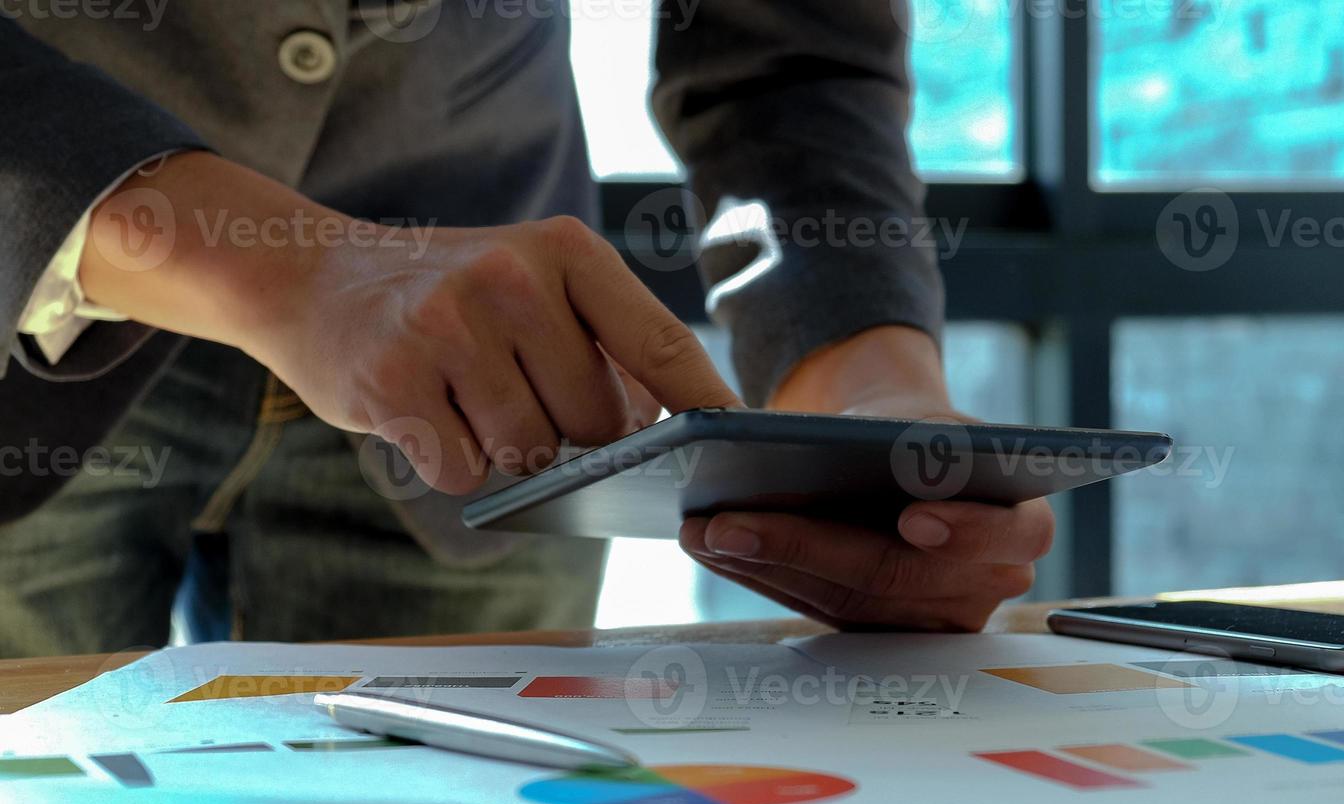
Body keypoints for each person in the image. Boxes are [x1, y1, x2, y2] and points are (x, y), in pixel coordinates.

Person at [0, 1, 1053, 657]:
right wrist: (287, 265)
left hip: (506, 393)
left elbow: (789, 59)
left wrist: (864, 391)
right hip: (37, 317)